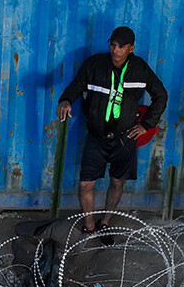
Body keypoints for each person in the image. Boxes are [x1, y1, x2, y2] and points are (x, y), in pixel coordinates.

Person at [56, 26, 167, 238]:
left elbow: (161, 95)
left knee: (117, 182)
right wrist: (65, 100)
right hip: (97, 137)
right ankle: (89, 225)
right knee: (85, 184)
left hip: (124, 138)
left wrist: (147, 124)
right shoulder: (95, 64)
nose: (115, 50)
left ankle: (105, 221)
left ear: (131, 49)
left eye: (121, 47)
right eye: (112, 45)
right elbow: (77, 85)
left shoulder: (139, 69)